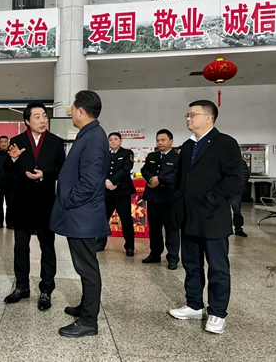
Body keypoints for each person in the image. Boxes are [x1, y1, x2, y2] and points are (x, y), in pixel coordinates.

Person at [169, 100, 242, 335]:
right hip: (189, 216)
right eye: (187, 115)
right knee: (191, 264)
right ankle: (194, 304)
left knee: (218, 268)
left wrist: (211, 200)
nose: (188, 118)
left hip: (212, 217)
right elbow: (181, 178)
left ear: (208, 118)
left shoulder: (225, 143)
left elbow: (235, 178)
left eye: (193, 115)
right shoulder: (188, 146)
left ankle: (217, 312)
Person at [50, 90, 110, 338]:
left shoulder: (94, 137)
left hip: (82, 214)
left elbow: (90, 182)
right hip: (81, 213)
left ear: (81, 111)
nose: (72, 113)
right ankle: (86, 307)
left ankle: (88, 321)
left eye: (73, 109)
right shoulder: (89, 134)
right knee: (85, 266)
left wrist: (68, 200)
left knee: (87, 268)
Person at [3, 102, 65, 311]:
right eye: (37, 117)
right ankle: (22, 287)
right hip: (22, 203)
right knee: (20, 248)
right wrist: (12, 160)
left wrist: (44, 174)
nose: (43, 120)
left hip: (46, 203)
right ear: (27, 121)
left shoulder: (56, 142)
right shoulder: (17, 141)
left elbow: (61, 169)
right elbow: (7, 169)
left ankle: (46, 290)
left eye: (45, 116)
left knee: (47, 248)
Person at [141, 129, 180, 270]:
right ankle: (155, 254)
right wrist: (151, 178)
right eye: (158, 140)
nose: (160, 143)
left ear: (171, 141)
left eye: (163, 140)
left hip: (169, 199)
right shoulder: (152, 155)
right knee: (154, 230)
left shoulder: (177, 158)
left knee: (171, 229)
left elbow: (176, 175)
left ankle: (173, 257)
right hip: (153, 198)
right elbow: (145, 170)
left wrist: (160, 179)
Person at [98, 132, 136, 256]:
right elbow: (100, 169)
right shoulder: (104, 154)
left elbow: (126, 169)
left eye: (115, 139)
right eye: (110, 140)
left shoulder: (127, 153)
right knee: (103, 218)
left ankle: (129, 246)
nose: (113, 141)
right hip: (107, 191)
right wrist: (106, 181)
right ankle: (100, 243)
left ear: (120, 141)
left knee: (126, 219)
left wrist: (113, 181)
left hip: (122, 192)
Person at [230, 159, 250, 237]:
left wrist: (239, 186)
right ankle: (220, 229)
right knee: (220, 211)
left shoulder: (240, 161)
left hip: (235, 191)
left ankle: (238, 229)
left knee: (237, 211)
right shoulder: (221, 159)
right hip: (222, 190)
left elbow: (245, 174)